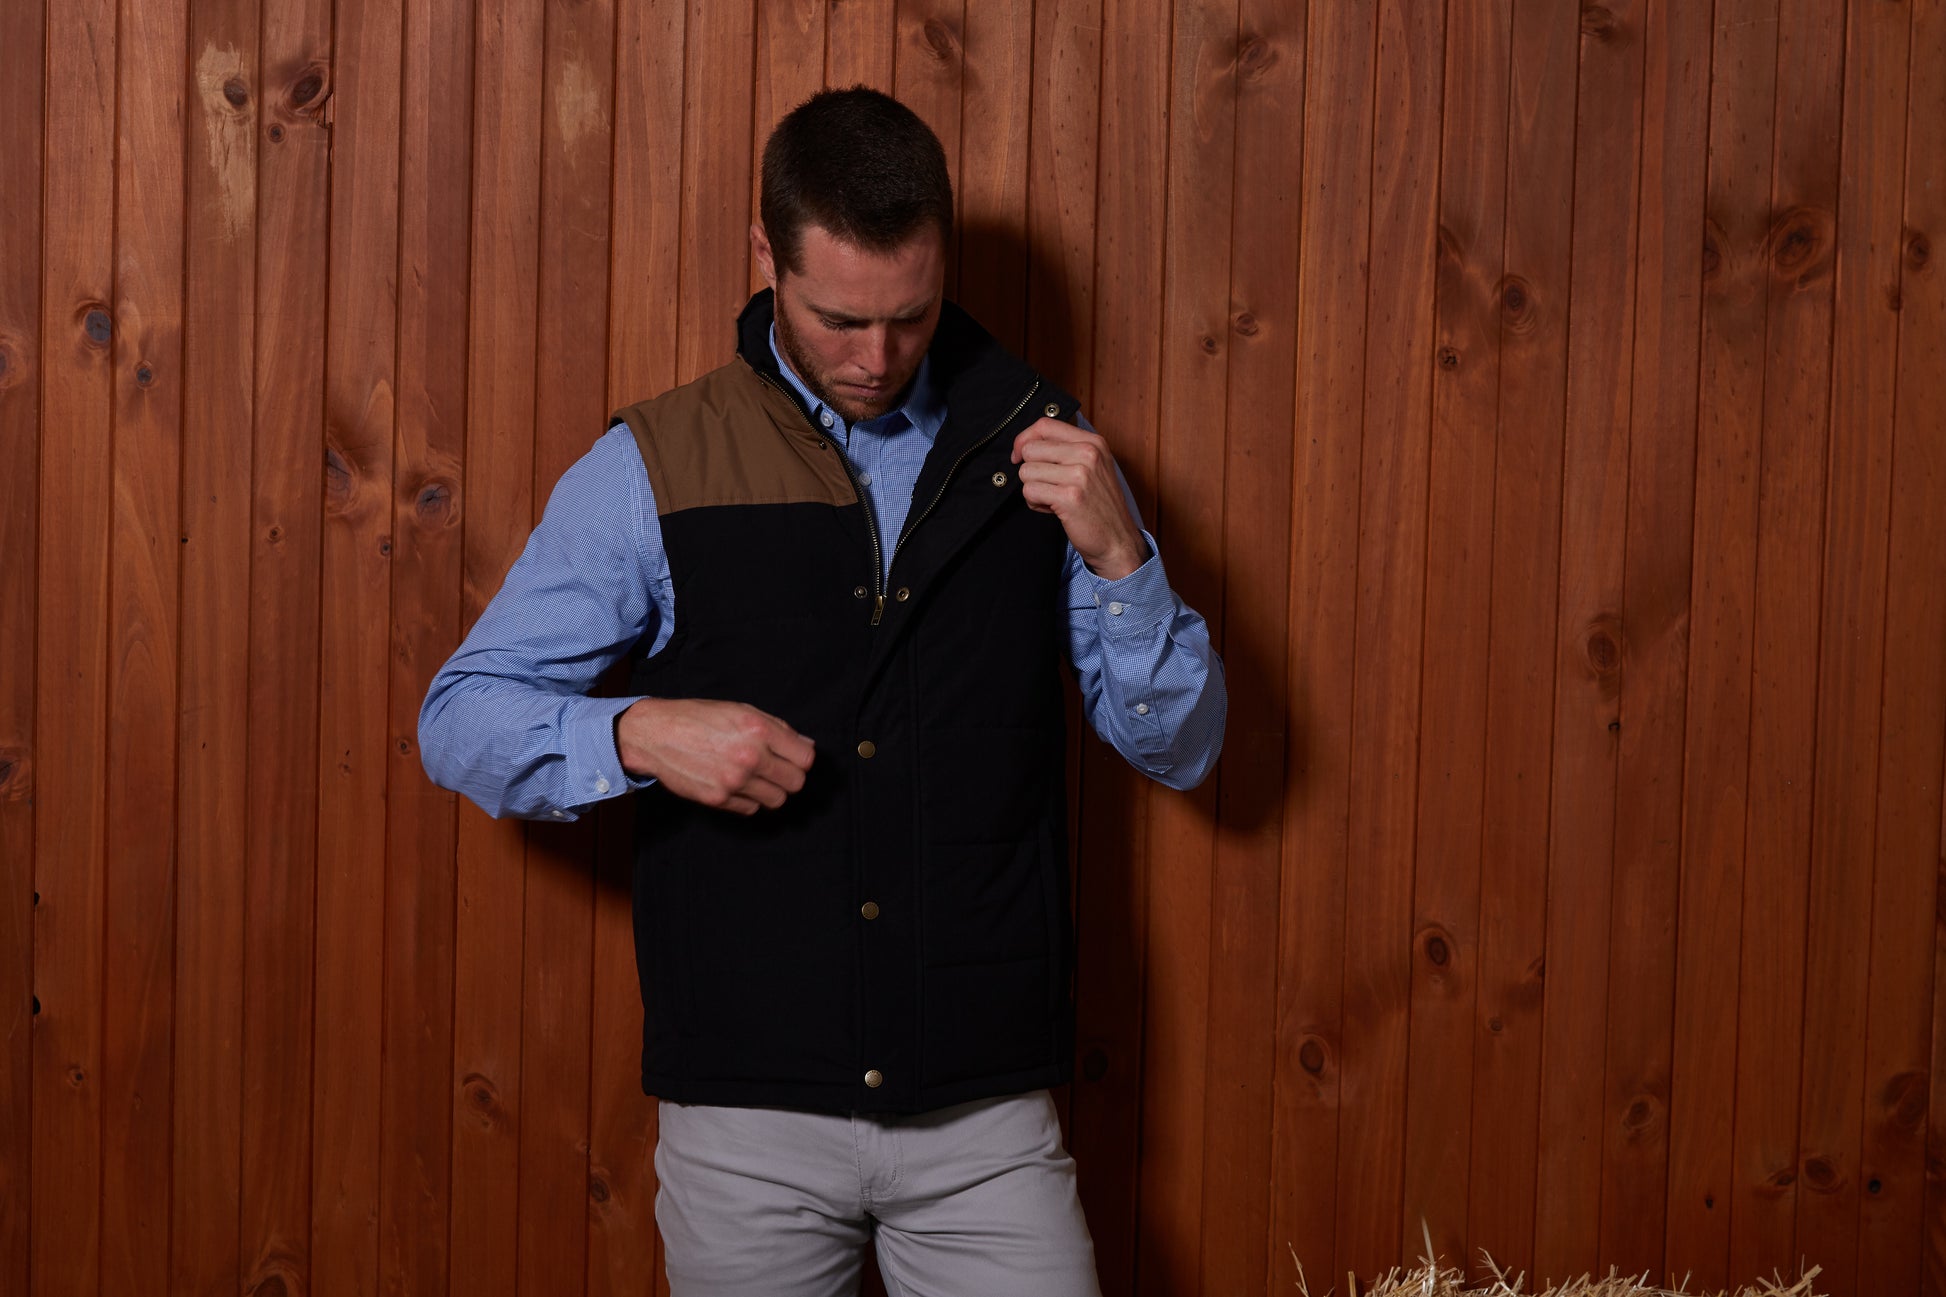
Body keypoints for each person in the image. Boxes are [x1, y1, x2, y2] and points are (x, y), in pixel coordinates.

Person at [420, 86, 1225, 1296]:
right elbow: (460, 716)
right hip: (745, 1116)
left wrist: (1124, 561)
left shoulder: (1044, 450)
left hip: (985, 1114)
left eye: (909, 317)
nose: (875, 359)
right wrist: (637, 732)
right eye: (839, 319)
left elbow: (1183, 748)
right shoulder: (653, 464)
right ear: (766, 256)